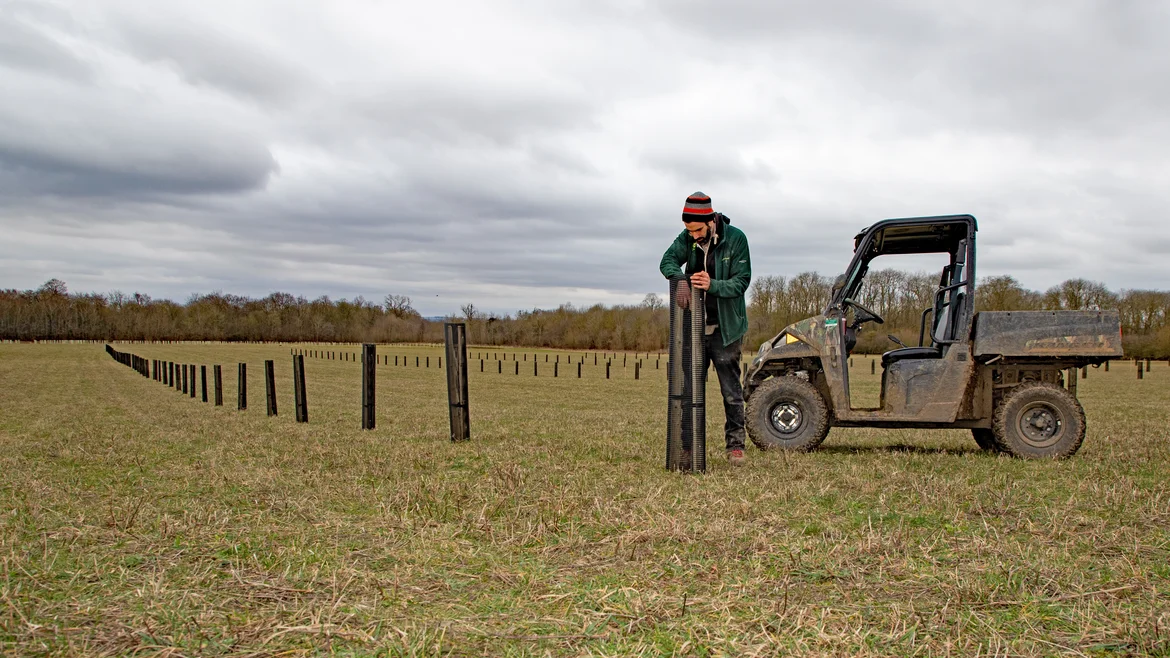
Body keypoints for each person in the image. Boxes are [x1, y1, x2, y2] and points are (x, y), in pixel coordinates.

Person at [659, 191, 752, 466]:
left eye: (697, 230)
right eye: (689, 231)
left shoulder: (736, 239)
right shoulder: (687, 238)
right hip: (694, 328)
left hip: (726, 328)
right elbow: (666, 261)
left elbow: (742, 281)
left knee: (731, 391)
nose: (693, 235)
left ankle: (735, 446)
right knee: (689, 390)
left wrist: (713, 285)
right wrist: (681, 279)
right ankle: (688, 447)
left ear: (711, 220)